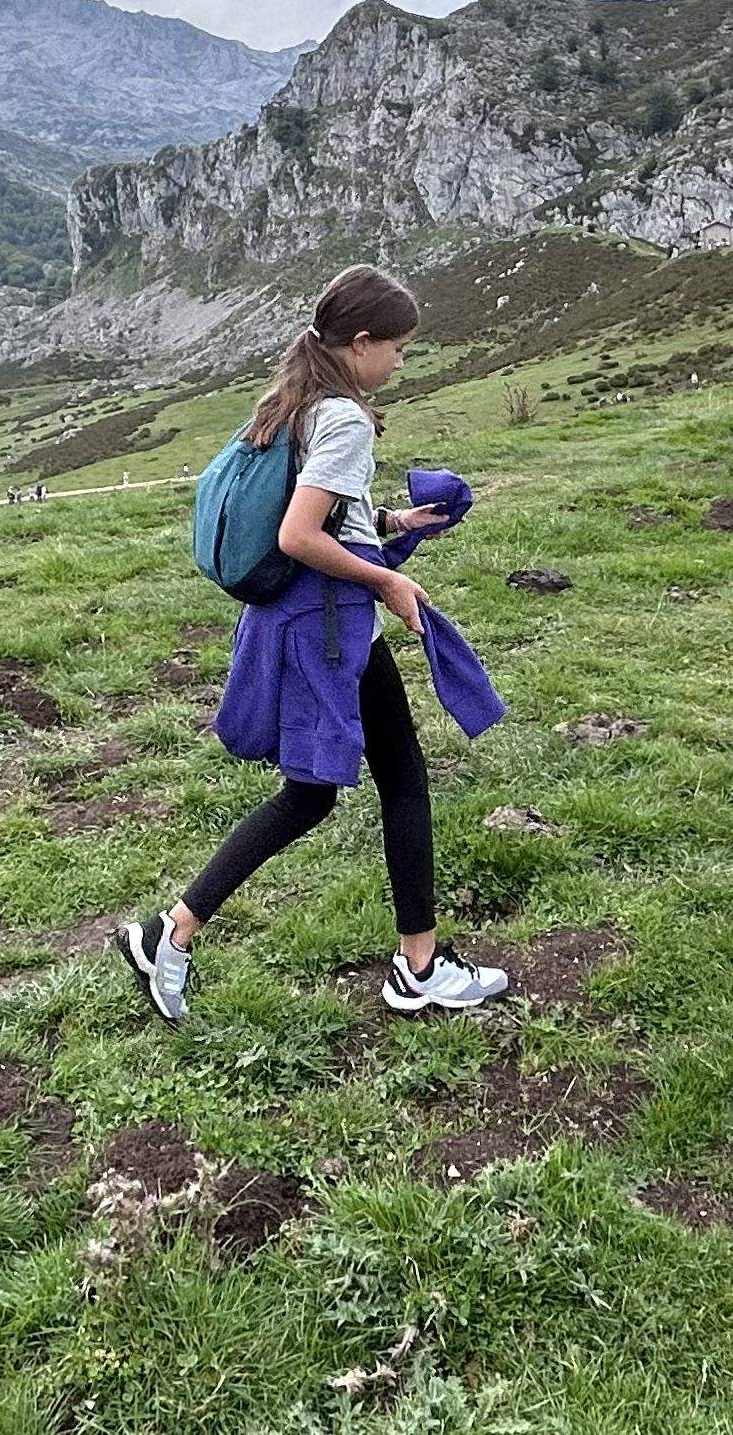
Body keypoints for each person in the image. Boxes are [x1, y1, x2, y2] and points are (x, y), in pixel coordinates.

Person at [124, 265, 512, 1020]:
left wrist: (391, 524)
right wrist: (388, 581)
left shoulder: (294, 401)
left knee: (387, 778)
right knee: (324, 792)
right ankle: (172, 933)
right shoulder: (345, 419)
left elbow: (323, 513)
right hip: (328, 628)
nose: (400, 361)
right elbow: (298, 535)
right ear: (361, 343)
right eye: (397, 347)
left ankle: (416, 962)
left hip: (308, 620)